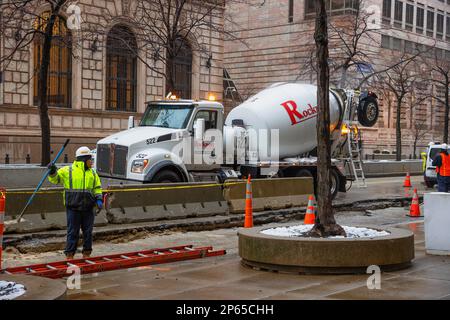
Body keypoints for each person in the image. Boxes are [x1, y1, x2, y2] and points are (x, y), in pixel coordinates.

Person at [48, 146, 103, 259]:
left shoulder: (92, 173)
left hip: (88, 208)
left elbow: (97, 187)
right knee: (73, 232)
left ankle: (86, 254)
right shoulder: (67, 171)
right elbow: (55, 179)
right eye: (90, 159)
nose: (91, 161)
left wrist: (99, 199)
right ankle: (69, 255)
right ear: (83, 159)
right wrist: (52, 171)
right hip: (73, 208)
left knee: (88, 232)